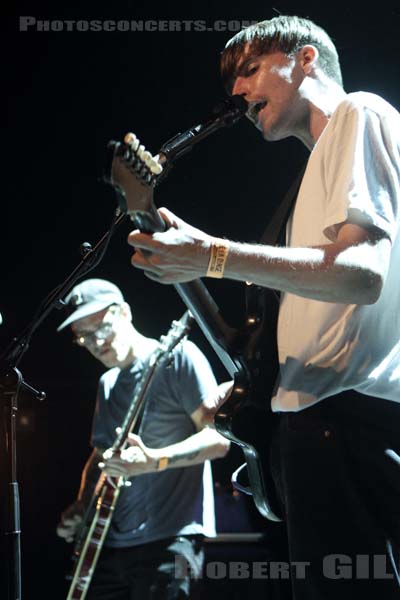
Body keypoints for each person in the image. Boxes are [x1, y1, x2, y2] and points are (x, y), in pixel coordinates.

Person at [126, 15, 400, 599]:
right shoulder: (308, 184)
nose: (237, 93)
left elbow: (361, 275)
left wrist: (214, 255)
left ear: (305, 59)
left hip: (347, 418)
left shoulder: (360, 112)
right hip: (316, 424)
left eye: (250, 69)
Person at [56, 278, 230, 599]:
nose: (94, 342)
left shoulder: (179, 357)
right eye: (83, 337)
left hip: (171, 541)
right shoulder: (108, 383)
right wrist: (82, 507)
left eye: (98, 328)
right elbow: (101, 456)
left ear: (124, 312)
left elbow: (218, 440)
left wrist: (155, 460)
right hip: (112, 545)